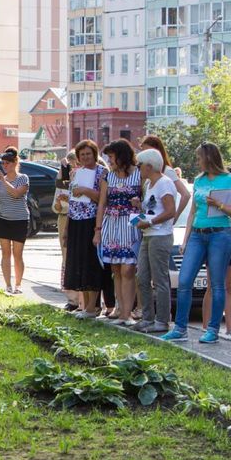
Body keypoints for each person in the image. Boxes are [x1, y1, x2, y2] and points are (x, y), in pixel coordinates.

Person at [160, 142, 231, 344]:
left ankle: (213, 329)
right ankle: (180, 328)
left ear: (209, 158)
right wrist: (186, 238)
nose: (197, 162)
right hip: (197, 233)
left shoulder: (229, 180)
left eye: (199, 158)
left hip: (219, 234)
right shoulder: (199, 180)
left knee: (216, 284)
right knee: (185, 280)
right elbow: (194, 211)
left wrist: (220, 204)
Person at [96, 139, 142, 325]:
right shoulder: (108, 176)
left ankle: (127, 314)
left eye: (112, 156)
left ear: (122, 156)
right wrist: (97, 230)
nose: (109, 160)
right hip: (111, 225)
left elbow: (148, 199)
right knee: (116, 269)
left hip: (131, 225)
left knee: (129, 269)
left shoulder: (139, 175)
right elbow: (101, 203)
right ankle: (121, 310)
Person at [131, 148, 178, 333]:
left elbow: (170, 211)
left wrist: (148, 221)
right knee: (142, 277)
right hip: (149, 235)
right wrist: (139, 208)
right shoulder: (149, 184)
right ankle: (148, 317)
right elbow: (153, 208)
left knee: (159, 280)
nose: (138, 168)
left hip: (160, 236)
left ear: (149, 166)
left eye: (140, 165)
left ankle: (162, 320)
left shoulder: (165, 183)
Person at [63, 140, 108, 318]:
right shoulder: (75, 173)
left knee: (91, 263)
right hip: (76, 220)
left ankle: (93, 306)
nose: (85, 157)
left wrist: (85, 190)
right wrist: (67, 228)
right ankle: (85, 305)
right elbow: (72, 201)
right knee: (80, 262)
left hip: (92, 220)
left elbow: (102, 199)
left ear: (95, 154)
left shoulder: (102, 172)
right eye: (82, 155)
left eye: (88, 154)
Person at [202, 166, 231, 340]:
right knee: (212, 285)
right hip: (215, 236)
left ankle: (230, 327)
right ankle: (206, 327)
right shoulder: (215, 193)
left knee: (230, 286)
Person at [0, 150, 29, 294]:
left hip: (20, 219)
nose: (4, 166)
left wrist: (3, 181)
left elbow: (16, 193)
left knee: (18, 254)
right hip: (4, 219)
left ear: (15, 163)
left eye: (7, 163)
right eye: (3, 163)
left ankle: (18, 284)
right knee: (5, 253)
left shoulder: (23, 178)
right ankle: (8, 285)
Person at [55, 151, 81, 311]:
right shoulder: (64, 176)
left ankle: (84, 299)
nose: (72, 168)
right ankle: (72, 298)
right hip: (64, 217)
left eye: (75, 164)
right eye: (70, 165)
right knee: (67, 257)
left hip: (81, 218)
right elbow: (57, 202)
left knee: (79, 258)